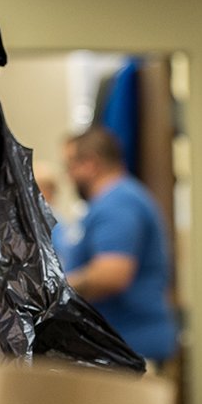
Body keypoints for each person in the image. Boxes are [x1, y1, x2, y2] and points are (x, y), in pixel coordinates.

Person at [60, 125, 178, 368]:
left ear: (90, 163)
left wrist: (55, 290)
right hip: (123, 347)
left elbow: (111, 275)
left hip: (131, 348)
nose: (68, 176)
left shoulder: (117, 203)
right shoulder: (114, 202)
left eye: (70, 166)